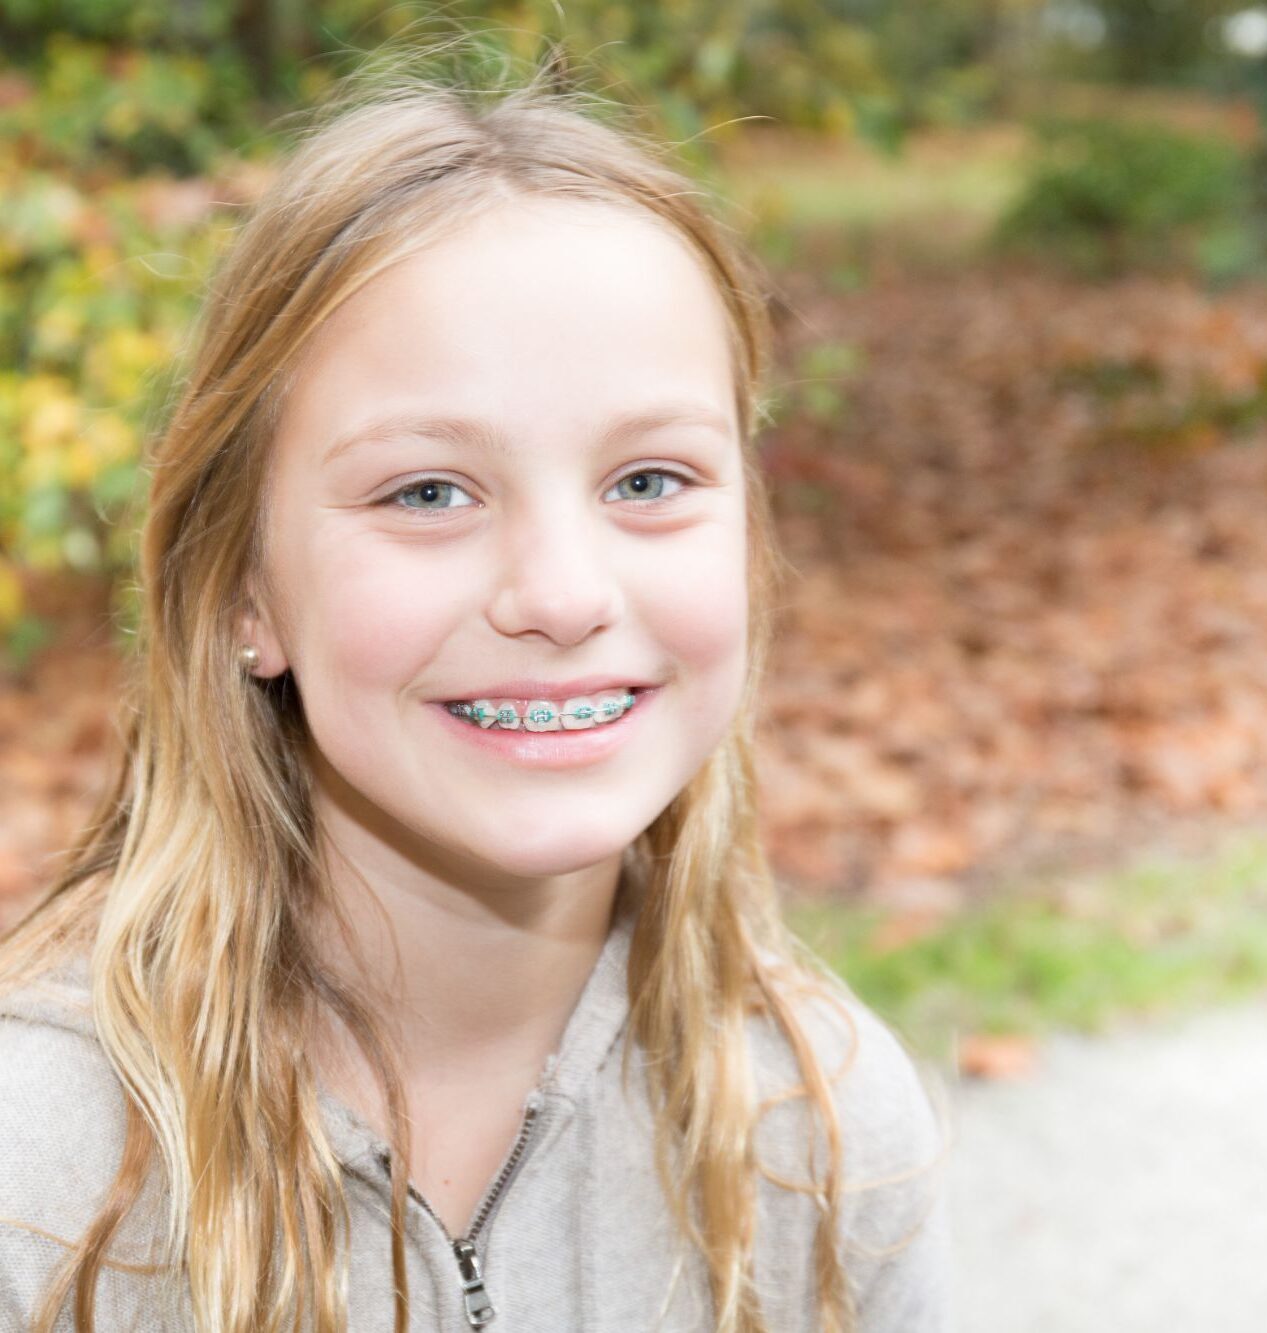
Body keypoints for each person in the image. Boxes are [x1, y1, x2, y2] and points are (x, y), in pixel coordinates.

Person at [0, 44, 951, 1333]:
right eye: (429, 492)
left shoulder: (821, 1131)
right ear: (243, 592)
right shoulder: (39, 1183)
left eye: (649, 481)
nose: (561, 593)